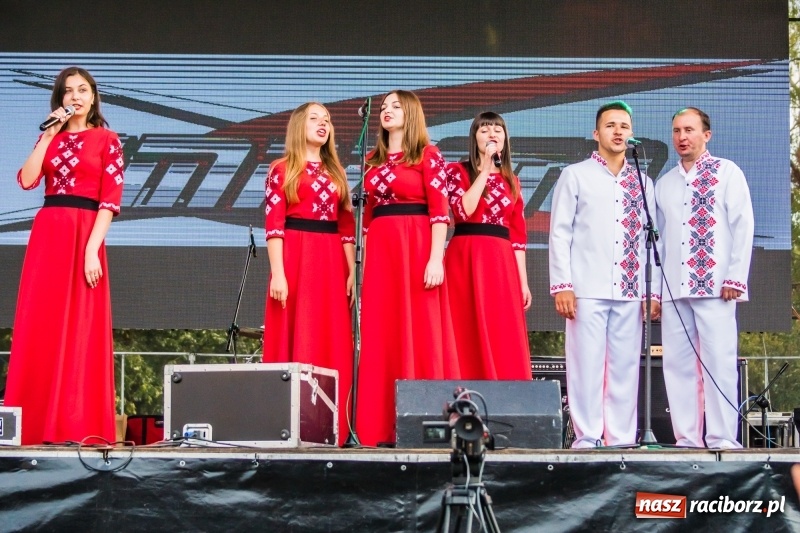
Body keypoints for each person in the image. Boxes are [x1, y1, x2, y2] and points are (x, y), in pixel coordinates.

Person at [4, 67, 124, 445]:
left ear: (93, 97)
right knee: (42, 322)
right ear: (59, 99)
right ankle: (34, 425)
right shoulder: (50, 137)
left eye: (83, 90)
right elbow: (27, 180)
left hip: (85, 233)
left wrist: (92, 249)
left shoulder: (107, 140)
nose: (76, 96)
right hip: (49, 233)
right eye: (68, 91)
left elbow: (109, 202)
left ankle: (76, 426)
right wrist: (47, 136)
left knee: (82, 327)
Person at [549, 101, 660, 448]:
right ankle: (588, 437)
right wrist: (563, 285)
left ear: (632, 133)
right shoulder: (575, 175)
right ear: (596, 134)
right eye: (610, 125)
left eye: (624, 126)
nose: (618, 131)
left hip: (629, 290)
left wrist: (652, 291)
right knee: (586, 367)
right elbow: (560, 233)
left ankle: (621, 440)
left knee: (625, 368)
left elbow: (650, 239)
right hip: (586, 288)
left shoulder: (643, 182)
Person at [356, 90, 460, 447]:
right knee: (382, 332)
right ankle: (377, 426)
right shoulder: (370, 161)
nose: (387, 111)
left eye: (395, 106)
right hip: (381, 252)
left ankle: (426, 422)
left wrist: (435, 258)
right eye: (384, 107)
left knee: (422, 328)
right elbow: (365, 219)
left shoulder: (428, 155)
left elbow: (440, 211)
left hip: (416, 247)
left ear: (411, 113)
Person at [655, 107, 754, 449]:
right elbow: (658, 243)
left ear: (706, 135)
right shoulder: (664, 184)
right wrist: (656, 291)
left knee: (719, 363)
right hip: (674, 289)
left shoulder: (727, 172)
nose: (682, 137)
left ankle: (722, 437)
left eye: (689, 130)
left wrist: (736, 277)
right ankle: (687, 438)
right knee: (677, 365)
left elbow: (743, 226)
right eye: (677, 131)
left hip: (716, 287)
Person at [264, 102, 355, 446]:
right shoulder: (281, 169)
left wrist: (351, 272)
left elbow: (346, 228)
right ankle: (289, 423)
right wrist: (278, 273)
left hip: (330, 259)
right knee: (293, 332)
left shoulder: (337, 172)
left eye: (327, 120)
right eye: (315, 118)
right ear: (299, 125)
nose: (323, 124)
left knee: (331, 334)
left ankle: (334, 425)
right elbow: (274, 225)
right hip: (295, 256)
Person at [445, 112, 532, 379]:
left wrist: (523, 282)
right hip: (466, 255)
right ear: (474, 138)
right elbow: (463, 210)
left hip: (501, 260)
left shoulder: (512, 180)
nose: (492, 134)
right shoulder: (457, 171)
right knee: (464, 324)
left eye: (497, 130)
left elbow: (517, 236)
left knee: (501, 327)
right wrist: (484, 170)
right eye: (484, 130)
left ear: (505, 139)